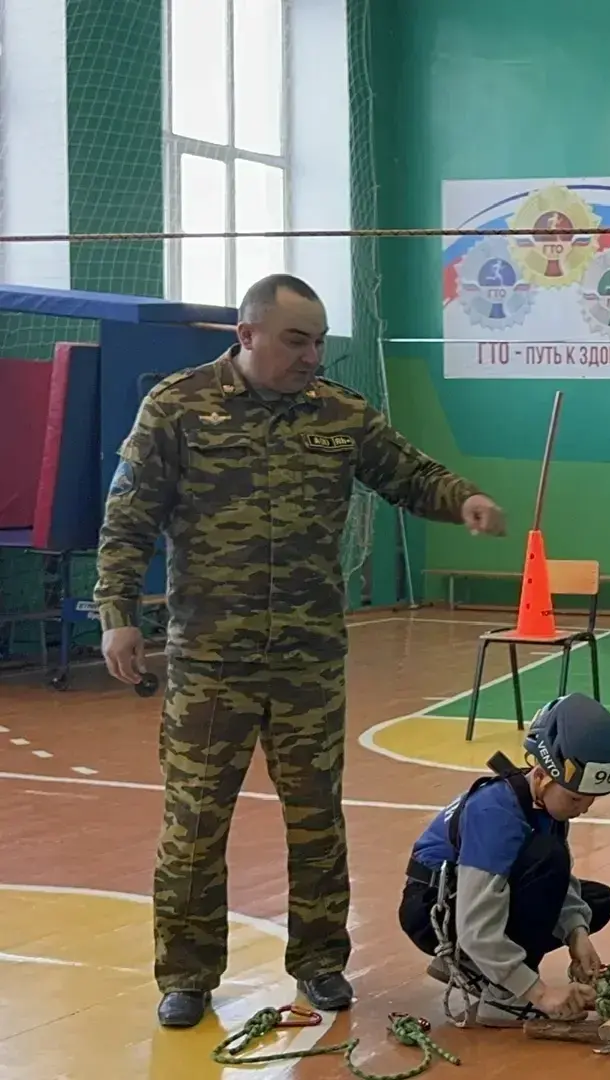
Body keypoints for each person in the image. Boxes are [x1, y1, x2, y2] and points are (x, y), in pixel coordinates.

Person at [92, 273, 507, 1028]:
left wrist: (464, 499)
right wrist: (118, 614)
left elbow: (409, 472)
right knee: (193, 825)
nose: (311, 356)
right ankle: (186, 975)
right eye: (295, 341)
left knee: (317, 820)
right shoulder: (178, 407)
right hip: (211, 661)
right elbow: (129, 518)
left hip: (307, 660)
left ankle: (319, 962)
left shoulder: (338, 414)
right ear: (246, 335)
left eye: (317, 342)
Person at [400, 694, 610, 1026]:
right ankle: (503, 997)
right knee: (549, 859)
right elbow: (476, 927)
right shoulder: (496, 814)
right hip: (435, 911)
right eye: (576, 798)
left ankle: (474, 967)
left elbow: (561, 884)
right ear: (542, 775)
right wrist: (540, 994)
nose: (584, 809)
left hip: (466, 901)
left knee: (595, 901)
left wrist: (577, 936)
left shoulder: (543, 803)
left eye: (591, 800)